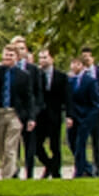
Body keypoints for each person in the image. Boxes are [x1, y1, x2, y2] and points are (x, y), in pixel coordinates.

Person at [0, 43, 37, 181]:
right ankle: (11, 168)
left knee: (10, 147)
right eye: (6, 55)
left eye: (11, 55)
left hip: (15, 114)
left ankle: (7, 177)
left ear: (17, 58)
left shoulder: (23, 75)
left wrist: (30, 117)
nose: (8, 57)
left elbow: (29, 98)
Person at [67, 49, 99, 178]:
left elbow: (96, 103)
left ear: (82, 66)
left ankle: (80, 171)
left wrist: (89, 118)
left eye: (76, 64)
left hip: (86, 117)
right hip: (74, 117)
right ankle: (87, 167)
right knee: (72, 142)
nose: (73, 67)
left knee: (81, 144)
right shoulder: (70, 81)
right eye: (72, 64)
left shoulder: (90, 81)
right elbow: (68, 100)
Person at [35, 47, 67, 180]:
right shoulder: (36, 75)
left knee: (55, 145)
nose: (42, 60)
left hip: (54, 115)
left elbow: (66, 97)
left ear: (52, 59)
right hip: (40, 115)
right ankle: (49, 165)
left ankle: (56, 172)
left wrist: (67, 114)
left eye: (45, 57)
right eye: (40, 58)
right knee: (37, 145)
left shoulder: (61, 76)